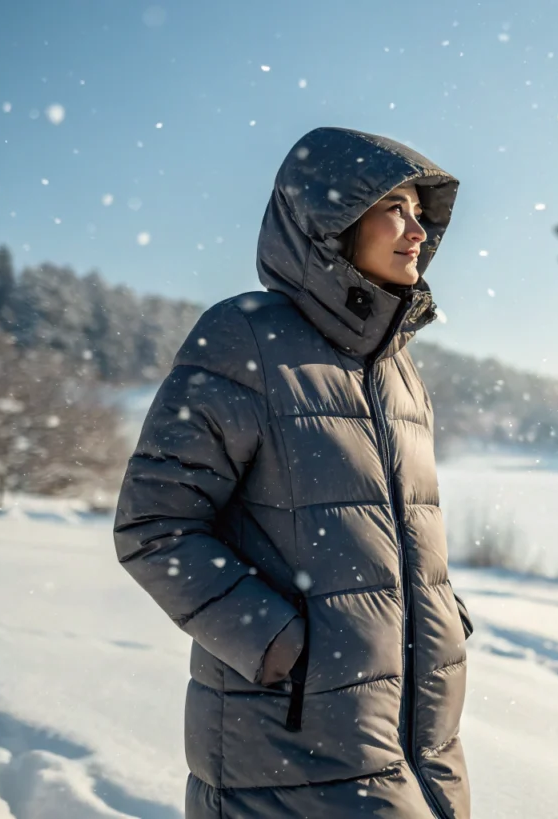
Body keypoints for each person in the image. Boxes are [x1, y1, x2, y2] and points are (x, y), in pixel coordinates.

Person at [114, 127, 473, 819]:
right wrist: (283, 643)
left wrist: (440, 621)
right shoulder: (245, 337)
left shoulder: (400, 373)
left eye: (421, 214)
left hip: (423, 750)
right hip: (285, 757)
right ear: (329, 222)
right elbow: (154, 526)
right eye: (393, 208)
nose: (417, 231)